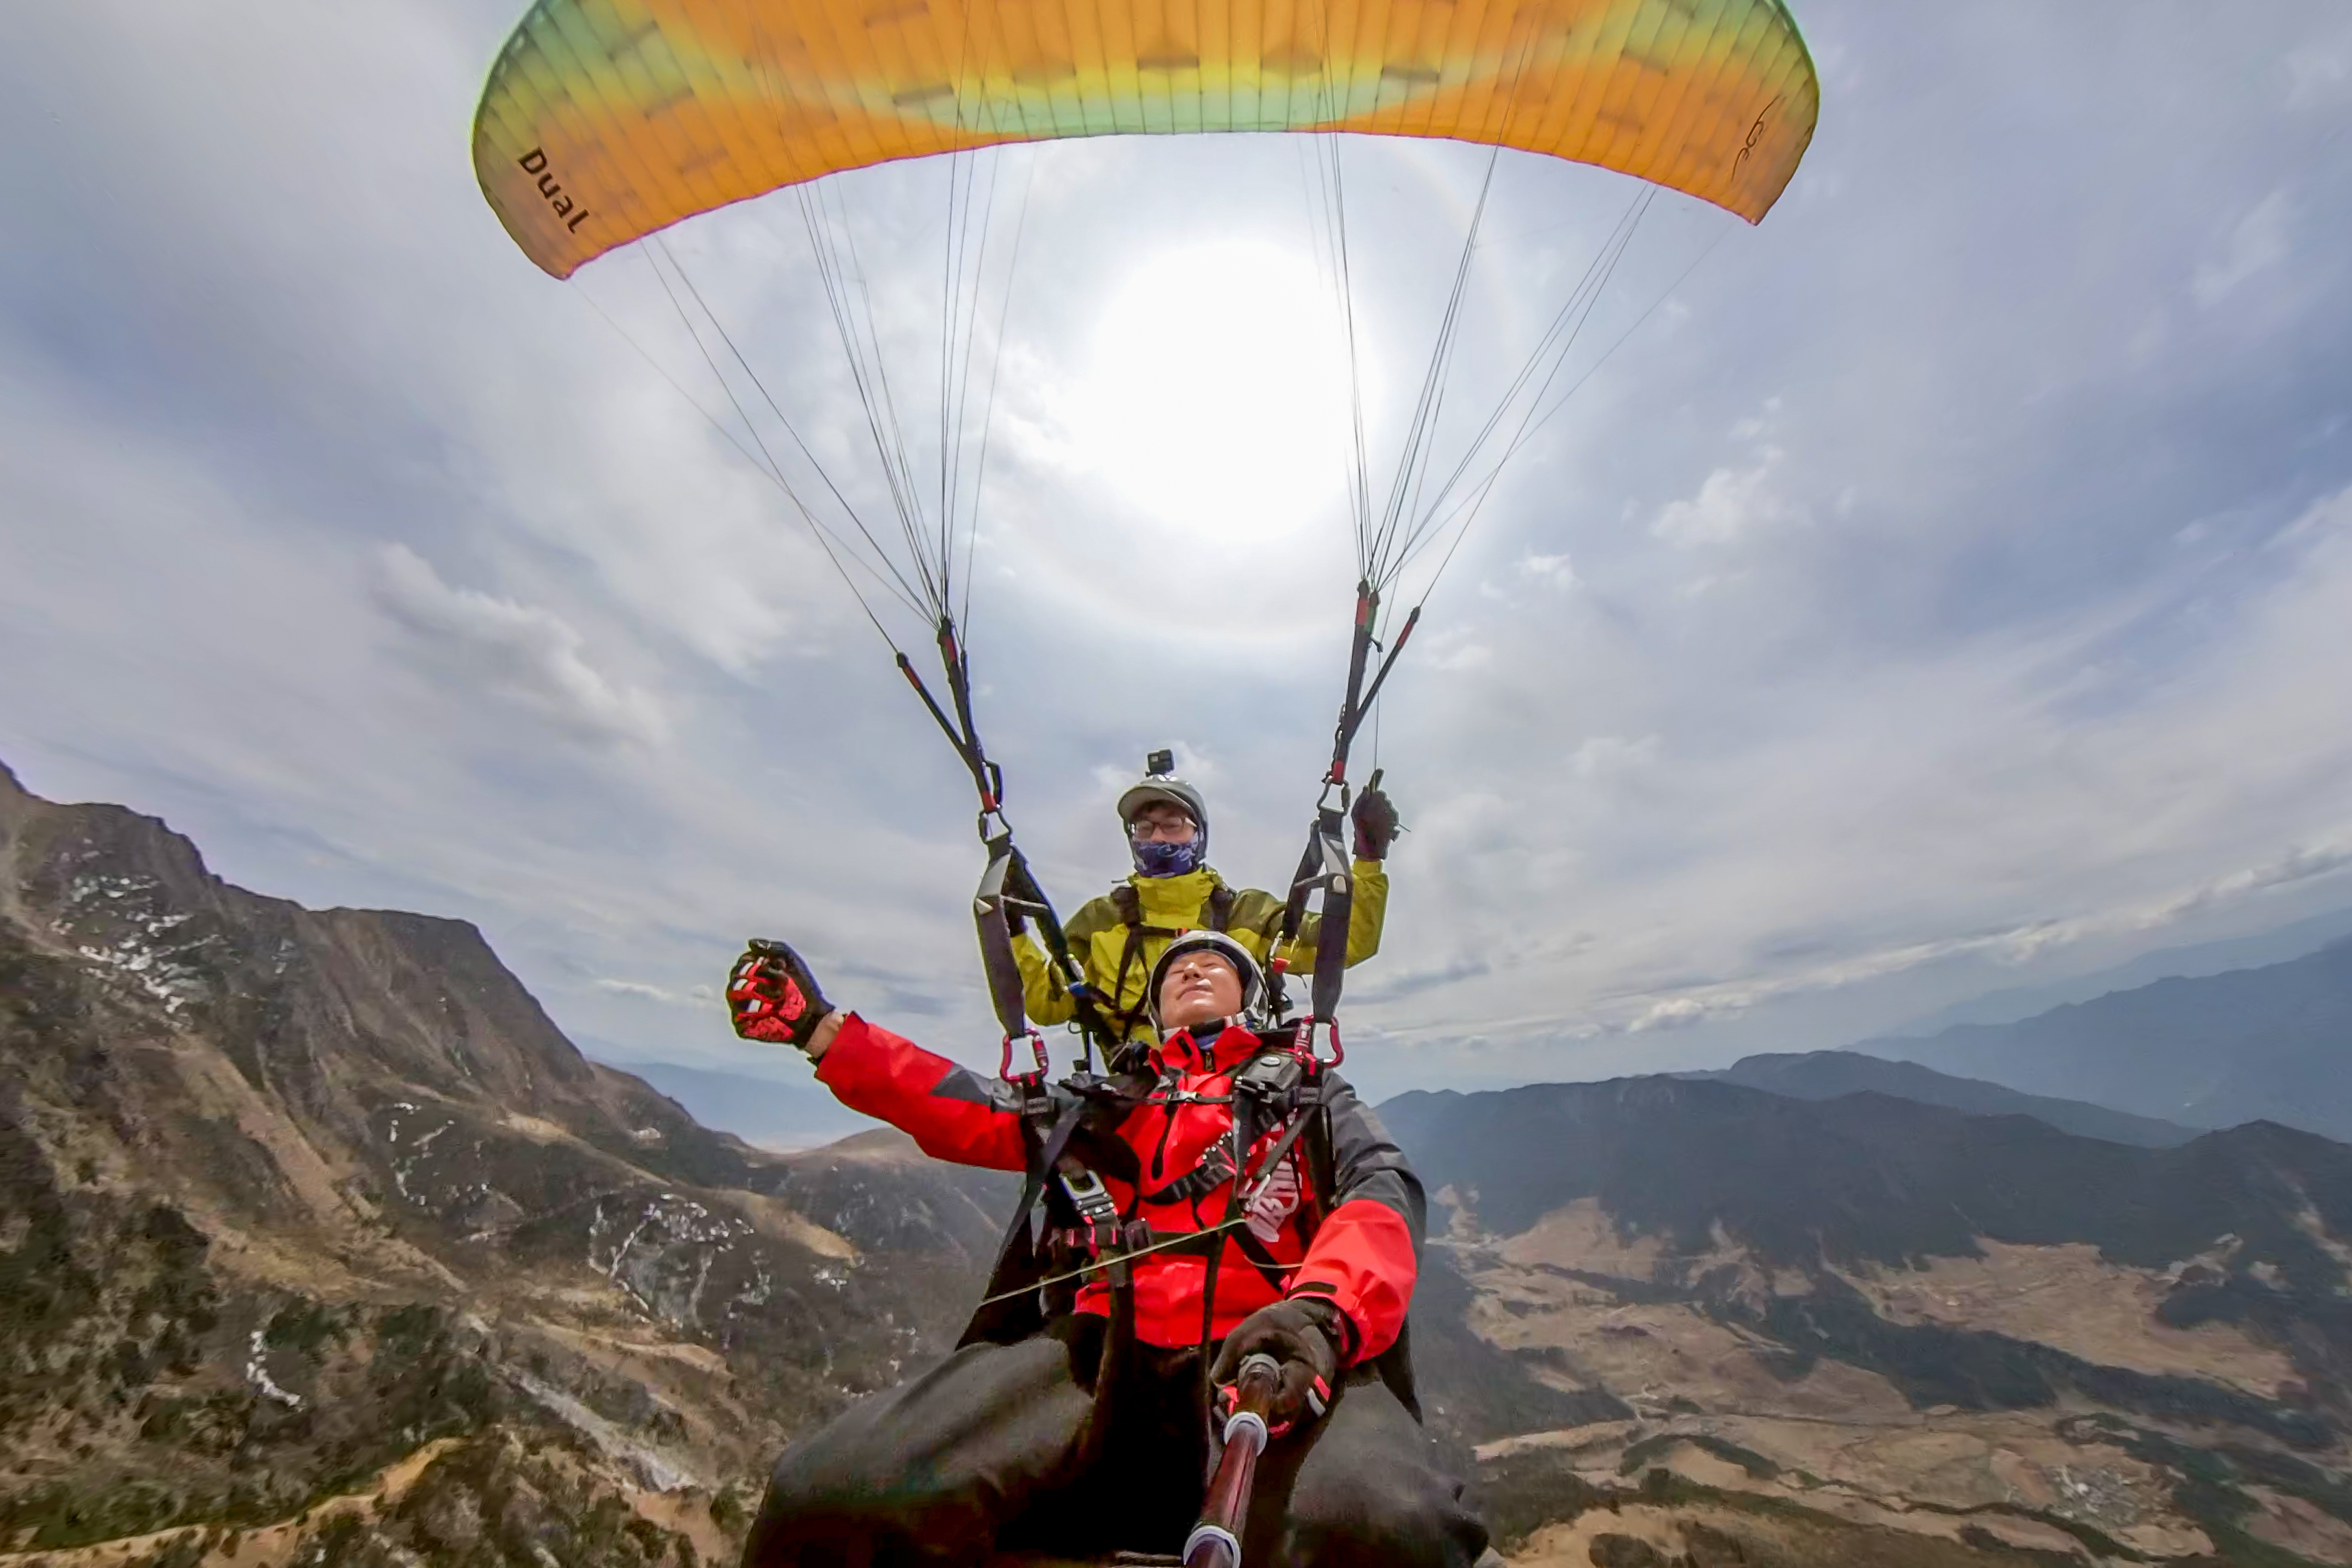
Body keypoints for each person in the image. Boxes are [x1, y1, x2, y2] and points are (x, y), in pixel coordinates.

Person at [724, 930, 1486, 1568]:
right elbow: (968, 1108)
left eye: (1215, 962)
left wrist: (1320, 1316)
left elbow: (1376, 1194)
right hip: (1099, 1347)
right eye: (1175, 970)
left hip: (1270, 1350)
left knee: (1390, 1527)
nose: (1191, 966)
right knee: (824, 1491)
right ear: (1155, 1012)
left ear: (1250, 997)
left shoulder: (1310, 1096)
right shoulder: (1114, 1101)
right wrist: (823, 1033)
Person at [1014, 751, 1401, 1049]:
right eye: (1145, 828)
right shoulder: (1099, 920)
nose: (1158, 838)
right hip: (1135, 1107)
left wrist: (1368, 861)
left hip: (1238, 1095)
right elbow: (1049, 1003)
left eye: (1173, 824)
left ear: (1200, 834)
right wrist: (1013, 932)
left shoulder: (1246, 914)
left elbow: (1348, 943)